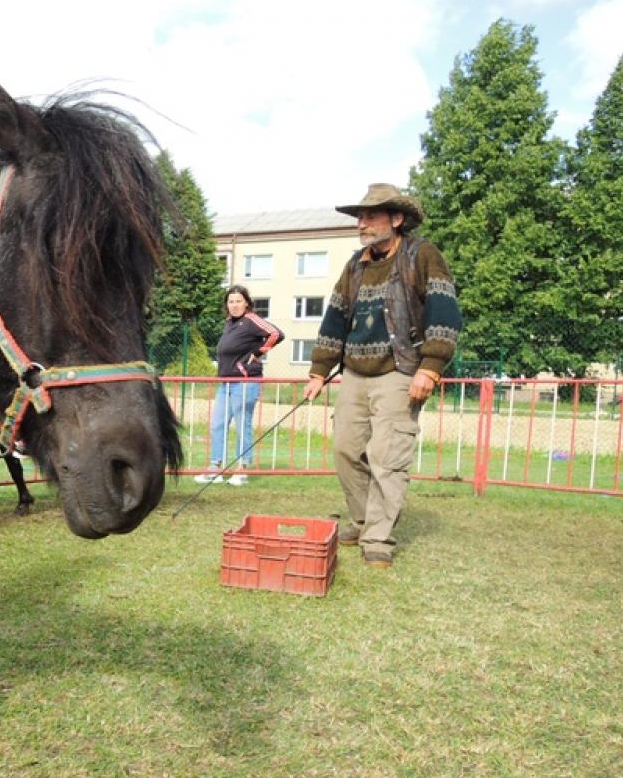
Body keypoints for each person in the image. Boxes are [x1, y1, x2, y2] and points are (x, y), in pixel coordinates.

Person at [302, 184, 462, 567]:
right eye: (360, 217)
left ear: (397, 219)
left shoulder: (422, 255)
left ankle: (378, 538)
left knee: (387, 457)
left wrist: (431, 366)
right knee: (345, 450)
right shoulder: (355, 264)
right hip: (355, 373)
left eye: (371, 216)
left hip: (400, 371)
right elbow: (336, 316)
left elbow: (445, 312)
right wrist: (320, 370)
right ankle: (362, 520)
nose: (362, 223)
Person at [196, 285, 284, 486]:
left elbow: (276, 334)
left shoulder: (251, 320)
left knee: (242, 424)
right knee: (218, 424)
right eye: (231, 301)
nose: (234, 305)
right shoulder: (229, 323)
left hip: (245, 381)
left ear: (246, 303)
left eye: (238, 301)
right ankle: (215, 467)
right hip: (225, 382)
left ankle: (241, 469)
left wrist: (259, 352)